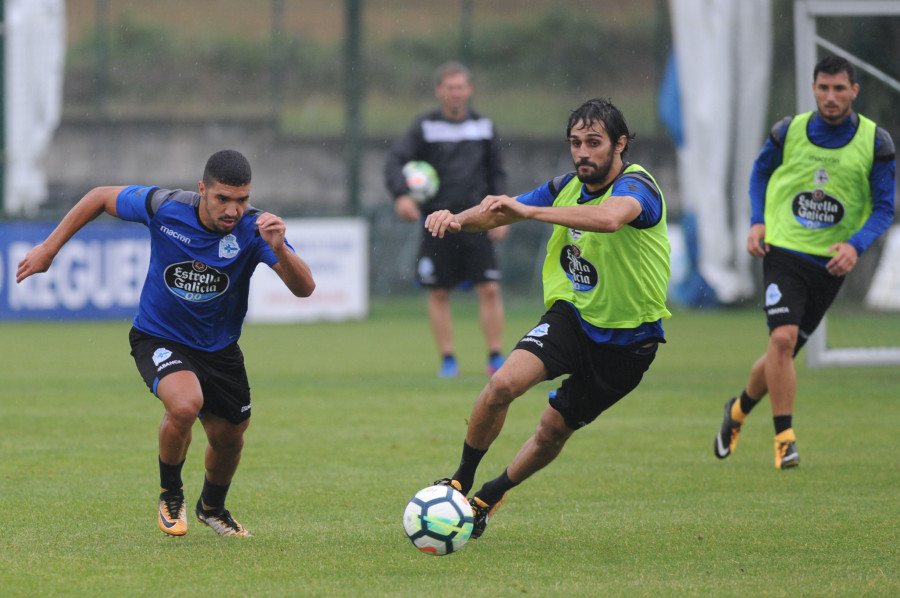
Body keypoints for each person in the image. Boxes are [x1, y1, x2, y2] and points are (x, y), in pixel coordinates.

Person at [16, 149, 316, 536]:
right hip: (158, 335)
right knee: (185, 404)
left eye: (241, 200)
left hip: (219, 348)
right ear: (202, 189)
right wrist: (49, 248)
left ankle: (212, 507)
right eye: (222, 198)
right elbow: (99, 197)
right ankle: (170, 494)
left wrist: (277, 247)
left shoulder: (256, 230)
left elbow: (305, 288)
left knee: (230, 438)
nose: (232, 210)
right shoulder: (165, 207)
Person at [424, 98, 671, 539]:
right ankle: (460, 483)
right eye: (575, 143)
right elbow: (500, 209)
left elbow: (610, 219)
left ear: (620, 144)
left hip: (629, 344)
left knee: (551, 431)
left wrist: (530, 212)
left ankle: (489, 496)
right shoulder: (565, 185)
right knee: (502, 384)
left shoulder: (640, 188)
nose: (582, 153)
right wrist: (457, 219)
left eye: (593, 143)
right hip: (572, 318)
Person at [714, 55, 896, 469]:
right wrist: (758, 222)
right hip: (784, 251)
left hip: (831, 263)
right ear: (813, 89)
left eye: (839, 88)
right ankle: (785, 440)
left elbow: (884, 208)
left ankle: (737, 411)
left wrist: (855, 245)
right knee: (782, 340)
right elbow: (759, 174)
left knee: (784, 350)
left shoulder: (876, 142)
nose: (830, 97)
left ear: (854, 91)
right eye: (823, 88)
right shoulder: (788, 131)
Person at [384, 61, 508, 378]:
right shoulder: (425, 127)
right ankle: (448, 360)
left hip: (478, 220)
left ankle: (495, 356)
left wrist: (503, 214)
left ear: (469, 90)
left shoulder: (484, 126)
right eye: (449, 87)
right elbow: (395, 160)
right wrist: (401, 195)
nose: (455, 93)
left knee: (490, 288)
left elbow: (497, 173)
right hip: (438, 223)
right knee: (439, 292)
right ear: (440, 90)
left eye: (460, 87)